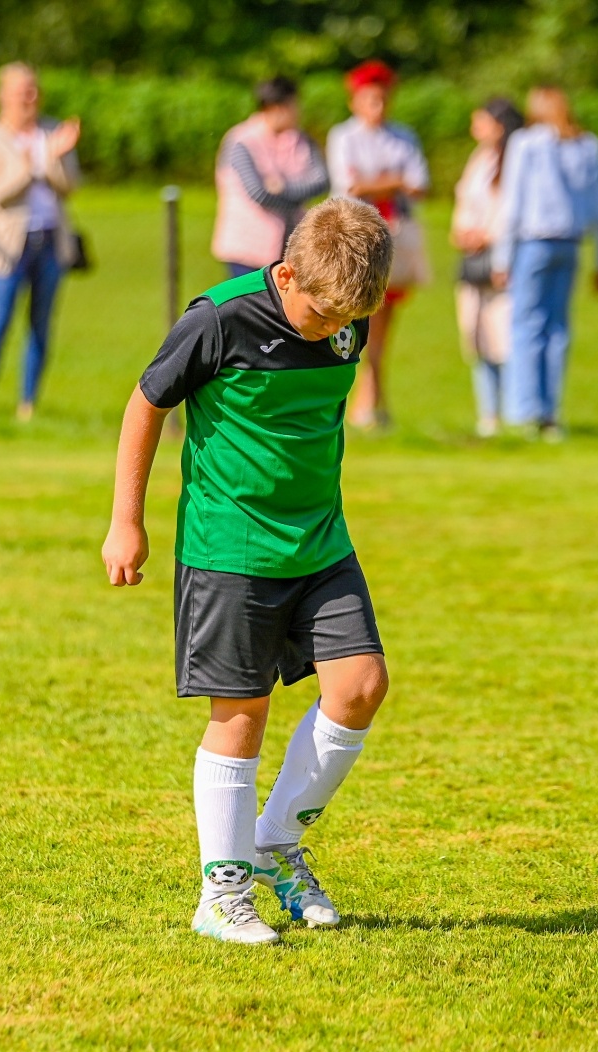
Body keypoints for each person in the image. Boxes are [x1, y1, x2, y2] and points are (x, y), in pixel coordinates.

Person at [100, 198, 393, 945]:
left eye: (349, 318)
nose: (336, 330)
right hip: (229, 547)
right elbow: (145, 405)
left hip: (320, 539)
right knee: (241, 714)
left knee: (360, 687)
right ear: (286, 271)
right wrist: (125, 521)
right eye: (323, 313)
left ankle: (274, 841)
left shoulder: (346, 312)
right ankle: (221, 893)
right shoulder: (218, 321)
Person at [492, 86, 598, 441]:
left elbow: (513, 202)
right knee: (557, 329)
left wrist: (502, 256)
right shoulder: (588, 146)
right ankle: (551, 412)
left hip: (534, 242)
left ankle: (526, 410)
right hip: (571, 244)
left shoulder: (528, 143)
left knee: (527, 324)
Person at [0, 63, 80, 425]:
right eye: (21, 91)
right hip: (8, 246)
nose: (29, 98)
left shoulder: (51, 131)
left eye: (33, 89)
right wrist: (34, 164)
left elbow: (70, 185)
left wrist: (56, 157)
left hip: (50, 241)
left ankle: (28, 404)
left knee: (40, 325)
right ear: (3, 96)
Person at [327, 60, 430, 429]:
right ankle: (358, 397)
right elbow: (349, 186)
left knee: (384, 320)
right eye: (371, 98)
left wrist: (377, 183)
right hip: (356, 237)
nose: (379, 106)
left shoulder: (403, 136)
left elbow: (419, 183)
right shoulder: (344, 136)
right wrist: (395, 180)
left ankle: (373, 396)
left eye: (384, 98)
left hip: (395, 234)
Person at [450, 98, 522, 437]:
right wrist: (463, 231)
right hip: (473, 259)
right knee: (475, 335)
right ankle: (488, 414)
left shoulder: (517, 161)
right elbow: (464, 201)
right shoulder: (479, 160)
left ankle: (512, 411)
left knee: (504, 337)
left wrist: (489, 236)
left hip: (501, 259)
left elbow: (512, 209)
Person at [212, 75, 330, 280]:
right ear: (277, 107)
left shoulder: (302, 140)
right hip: (246, 248)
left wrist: (282, 187)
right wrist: (296, 197)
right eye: (295, 105)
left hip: (289, 247)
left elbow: (322, 181)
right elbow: (259, 193)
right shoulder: (240, 142)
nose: (298, 112)